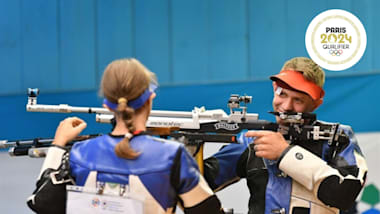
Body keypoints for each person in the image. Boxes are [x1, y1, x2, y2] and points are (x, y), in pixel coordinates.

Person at [27, 58, 225, 214]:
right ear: (150, 98)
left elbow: (41, 203)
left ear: (107, 106)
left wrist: (58, 145)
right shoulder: (173, 157)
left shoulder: (79, 155)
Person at [203, 57, 368, 214]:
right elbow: (196, 184)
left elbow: (345, 193)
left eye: (298, 100)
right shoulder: (252, 140)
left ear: (316, 104)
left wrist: (285, 153)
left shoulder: (338, 137)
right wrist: (189, 148)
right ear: (274, 88)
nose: (287, 106)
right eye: (282, 94)